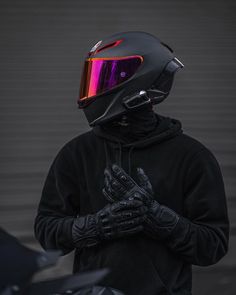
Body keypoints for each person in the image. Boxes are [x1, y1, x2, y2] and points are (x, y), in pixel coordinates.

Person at [34, 31, 229, 295]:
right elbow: (47, 232)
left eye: (106, 77)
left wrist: (159, 219)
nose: (95, 87)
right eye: (94, 77)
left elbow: (212, 247)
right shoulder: (77, 153)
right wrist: (95, 226)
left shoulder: (192, 157)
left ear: (140, 80)